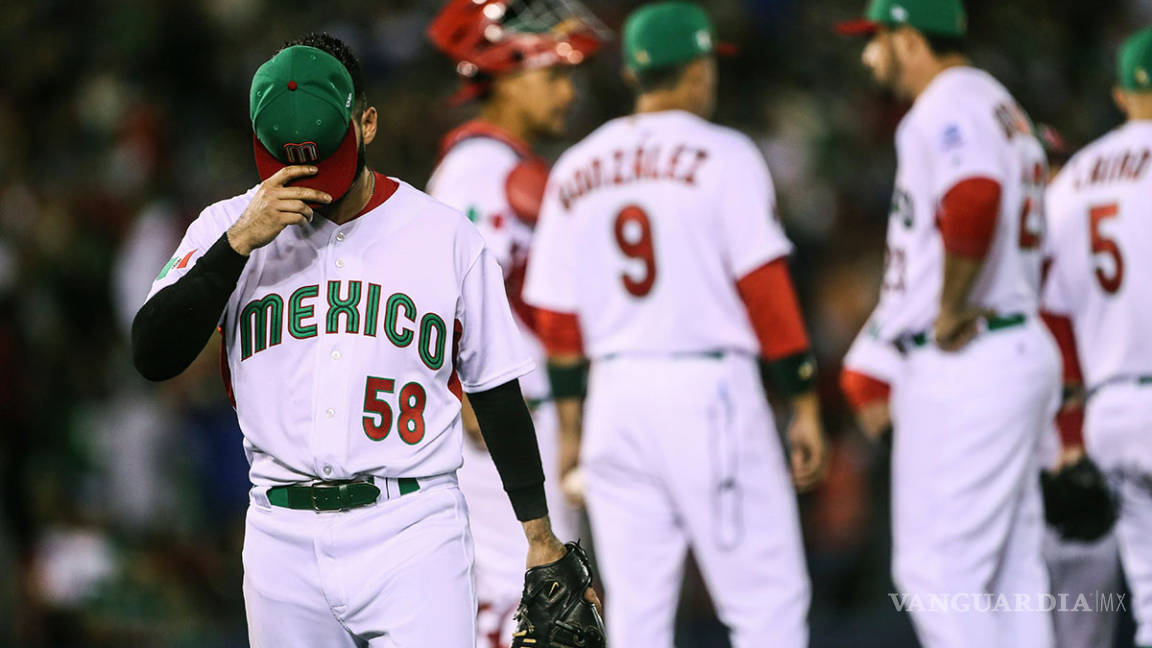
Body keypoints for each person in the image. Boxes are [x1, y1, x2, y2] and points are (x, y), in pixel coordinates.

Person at [131, 33, 585, 647]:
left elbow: (496, 389)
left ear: (366, 123)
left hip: (413, 526)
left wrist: (539, 535)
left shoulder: (442, 235)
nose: (314, 182)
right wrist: (236, 245)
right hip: (279, 535)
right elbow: (152, 354)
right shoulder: (224, 228)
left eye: (327, 159)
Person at [523, 3, 825, 646]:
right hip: (707, 391)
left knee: (636, 616)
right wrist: (802, 400)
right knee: (766, 602)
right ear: (695, 69)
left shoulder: (577, 166)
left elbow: (558, 318)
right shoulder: (724, 153)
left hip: (617, 401)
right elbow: (766, 292)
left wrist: (573, 428)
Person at [837, 1, 1061, 646]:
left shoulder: (948, 101)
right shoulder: (998, 103)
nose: (868, 55)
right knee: (1011, 572)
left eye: (876, 39)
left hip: (973, 354)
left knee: (936, 572)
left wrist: (953, 305)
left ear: (908, 37)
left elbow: (975, 195)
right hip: (1014, 342)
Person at [424, 1, 606, 645]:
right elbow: (447, 300)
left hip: (519, 409)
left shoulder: (502, 166)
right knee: (524, 593)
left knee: (545, 596)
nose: (568, 89)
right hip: (498, 416)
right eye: (553, 74)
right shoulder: (479, 170)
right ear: (506, 75)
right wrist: (468, 397)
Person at [1041, 27, 1152, 648]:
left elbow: (1051, 315)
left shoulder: (1074, 178)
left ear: (1120, 94)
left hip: (1110, 412)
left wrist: (1068, 428)